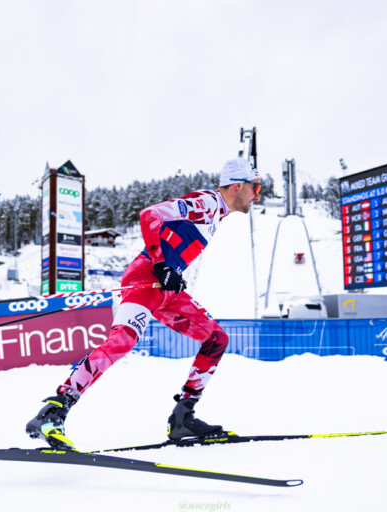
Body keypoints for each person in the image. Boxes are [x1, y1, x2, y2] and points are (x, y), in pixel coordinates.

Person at [26, 158, 262, 449]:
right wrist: (163, 265)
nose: (257, 194)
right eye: (256, 187)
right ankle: (54, 410)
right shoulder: (208, 203)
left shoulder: (216, 215)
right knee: (122, 341)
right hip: (148, 275)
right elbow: (151, 215)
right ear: (237, 185)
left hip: (166, 288)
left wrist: (171, 271)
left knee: (216, 338)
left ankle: (183, 418)